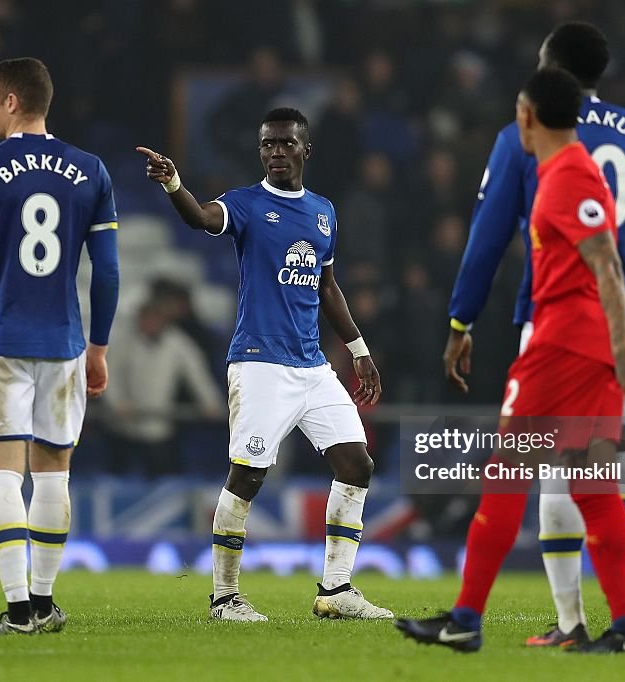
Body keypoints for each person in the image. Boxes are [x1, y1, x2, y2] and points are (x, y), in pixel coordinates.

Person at [443, 22, 625, 647]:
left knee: (550, 473)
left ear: (545, 71)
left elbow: (487, 235)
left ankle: (575, 622)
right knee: (613, 469)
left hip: (560, 324)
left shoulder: (525, 137)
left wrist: (461, 318)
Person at [396, 68, 625, 654]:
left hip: (563, 348)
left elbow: (608, 263)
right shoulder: (566, 171)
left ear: (529, 115)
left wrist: (620, 351)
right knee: (594, 489)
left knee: (507, 474)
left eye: (519, 108)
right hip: (585, 348)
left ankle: (465, 620)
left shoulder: (567, 175)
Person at [136, 107, 392, 622]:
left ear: (305, 149)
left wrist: (359, 350)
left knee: (357, 464)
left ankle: (336, 589)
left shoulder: (324, 212)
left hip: (312, 366)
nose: (276, 152)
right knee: (248, 476)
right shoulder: (248, 204)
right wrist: (174, 185)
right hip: (258, 364)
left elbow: (326, 286)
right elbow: (201, 218)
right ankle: (224, 598)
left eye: (285, 143)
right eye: (267, 144)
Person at [0, 57, 119, 635]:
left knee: (3, 477)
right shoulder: (91, 170)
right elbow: (106, 272)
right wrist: (99, 347)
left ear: (13, 101)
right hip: (62, 343)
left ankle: (17, 611)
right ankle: (44, 603)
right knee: (54, 475)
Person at [103, 299, 223, 477]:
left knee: (161, 476)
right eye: (146, 320)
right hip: (124, 426)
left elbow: (196, 373)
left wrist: (210, 401)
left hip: (160, 426)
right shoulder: (124, 342)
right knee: (119, 475)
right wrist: (117, 402)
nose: (150, 324)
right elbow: (109, 374)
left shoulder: (178, 343)